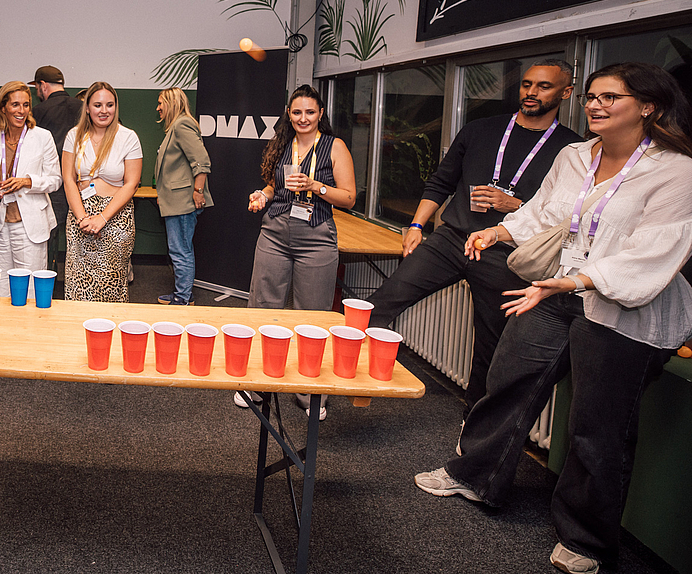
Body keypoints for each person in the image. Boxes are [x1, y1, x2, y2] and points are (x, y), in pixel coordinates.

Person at [415, 62, 692, 574]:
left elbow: (656, 250)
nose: (595, 105)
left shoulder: (676, 170)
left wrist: (578, 280)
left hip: (623, 307)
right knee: (508, 379)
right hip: (555, 288)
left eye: (610, 97)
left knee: (596, 424)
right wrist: (497, 232)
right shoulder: (574, 155)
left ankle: (586, 540)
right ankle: (476, 475)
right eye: (591, 96)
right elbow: (543, 213)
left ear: (648, 106)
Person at [367, 60, 580, 418]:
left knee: (490, 347)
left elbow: (564, 214)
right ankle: (337, 381)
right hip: (451, 239)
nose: (531, 92)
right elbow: (441, 181)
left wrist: (514, 204)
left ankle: (473, 428)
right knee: (380, 304)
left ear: (566, 92)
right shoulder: (481, 129)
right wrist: (417, 226)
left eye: (543, 86)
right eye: (527, 84)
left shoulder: (571, 150)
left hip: (507, 253)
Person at [246, 85, 356, 418]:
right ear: (288, 113)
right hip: (275, 233)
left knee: (312, 314)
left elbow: (349, 197)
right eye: (297, 112)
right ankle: (258, 382)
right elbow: (274, 185)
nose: (303, 118)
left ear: (320, 113)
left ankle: (309, 391)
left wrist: (315, 186)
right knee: (263, 306)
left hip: (316, 236)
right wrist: (263, 195)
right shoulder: (282, 143)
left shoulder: (335, 147)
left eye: (309, 112)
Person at [0, 81, 61, 296]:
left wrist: (27, 182)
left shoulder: (42, 137)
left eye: (26, 105)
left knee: (30, 287)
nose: (21, 111)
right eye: (15, 104)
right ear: (3, 107)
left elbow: (55, 180)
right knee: (2, 285)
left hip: (29, 223)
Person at [61, 81, 143, 302]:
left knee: (110, 284)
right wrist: (82, 218)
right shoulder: (74, 136)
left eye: (109, 105)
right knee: (79, 282)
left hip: (116, 216)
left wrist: (103, 218)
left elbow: (132, 184)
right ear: (87, 108)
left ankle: (111, 324)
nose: (104, 110)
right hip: (80, 215)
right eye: (97, 105)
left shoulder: (128, 137)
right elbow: (68, 179)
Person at [154, 87, 212, 306]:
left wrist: (198, 191)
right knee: (180, 249)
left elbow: (201, 161)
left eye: (161, 103)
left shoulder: (182, 125)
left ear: (171, 103)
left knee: (180, 251)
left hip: (183, 201)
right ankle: (183, 292)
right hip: (175, 200)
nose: (158, 108)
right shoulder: (176, 127)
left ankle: (183, 298)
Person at [30, 66, 83, 274]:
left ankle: (46, 278)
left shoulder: (38, 111)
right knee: (81, 234)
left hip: (51, 183)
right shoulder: (83, 107)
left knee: (48, 235)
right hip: (81, 182)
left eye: (36, 88)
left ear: (43, 85)